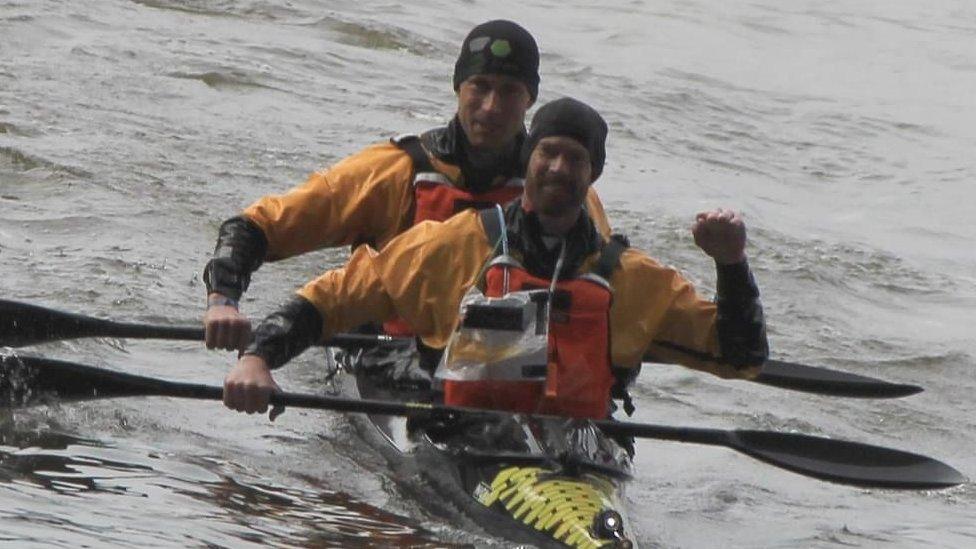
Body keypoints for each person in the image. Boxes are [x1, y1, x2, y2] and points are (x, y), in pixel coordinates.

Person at [222, 97, 768, 420]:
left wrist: (732, 265)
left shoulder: (634, 280)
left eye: (574, 159)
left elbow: (740, 355)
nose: (558, 168)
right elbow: (328, 300)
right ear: (529, 161)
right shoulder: (451, 247)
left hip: (578, 453)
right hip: (458, 430)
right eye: (548, 153)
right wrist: (258, 358)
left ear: (593, 176)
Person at [203, 20, 612, 352]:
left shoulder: (563, 193)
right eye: (480, 87)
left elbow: (610, 296)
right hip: (393, 355)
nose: (491, 107)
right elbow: (257, 227)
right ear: (459, 88)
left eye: (509, 92)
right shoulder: (398, 170)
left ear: (530, 100)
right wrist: (223, 300)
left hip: (513, 365)